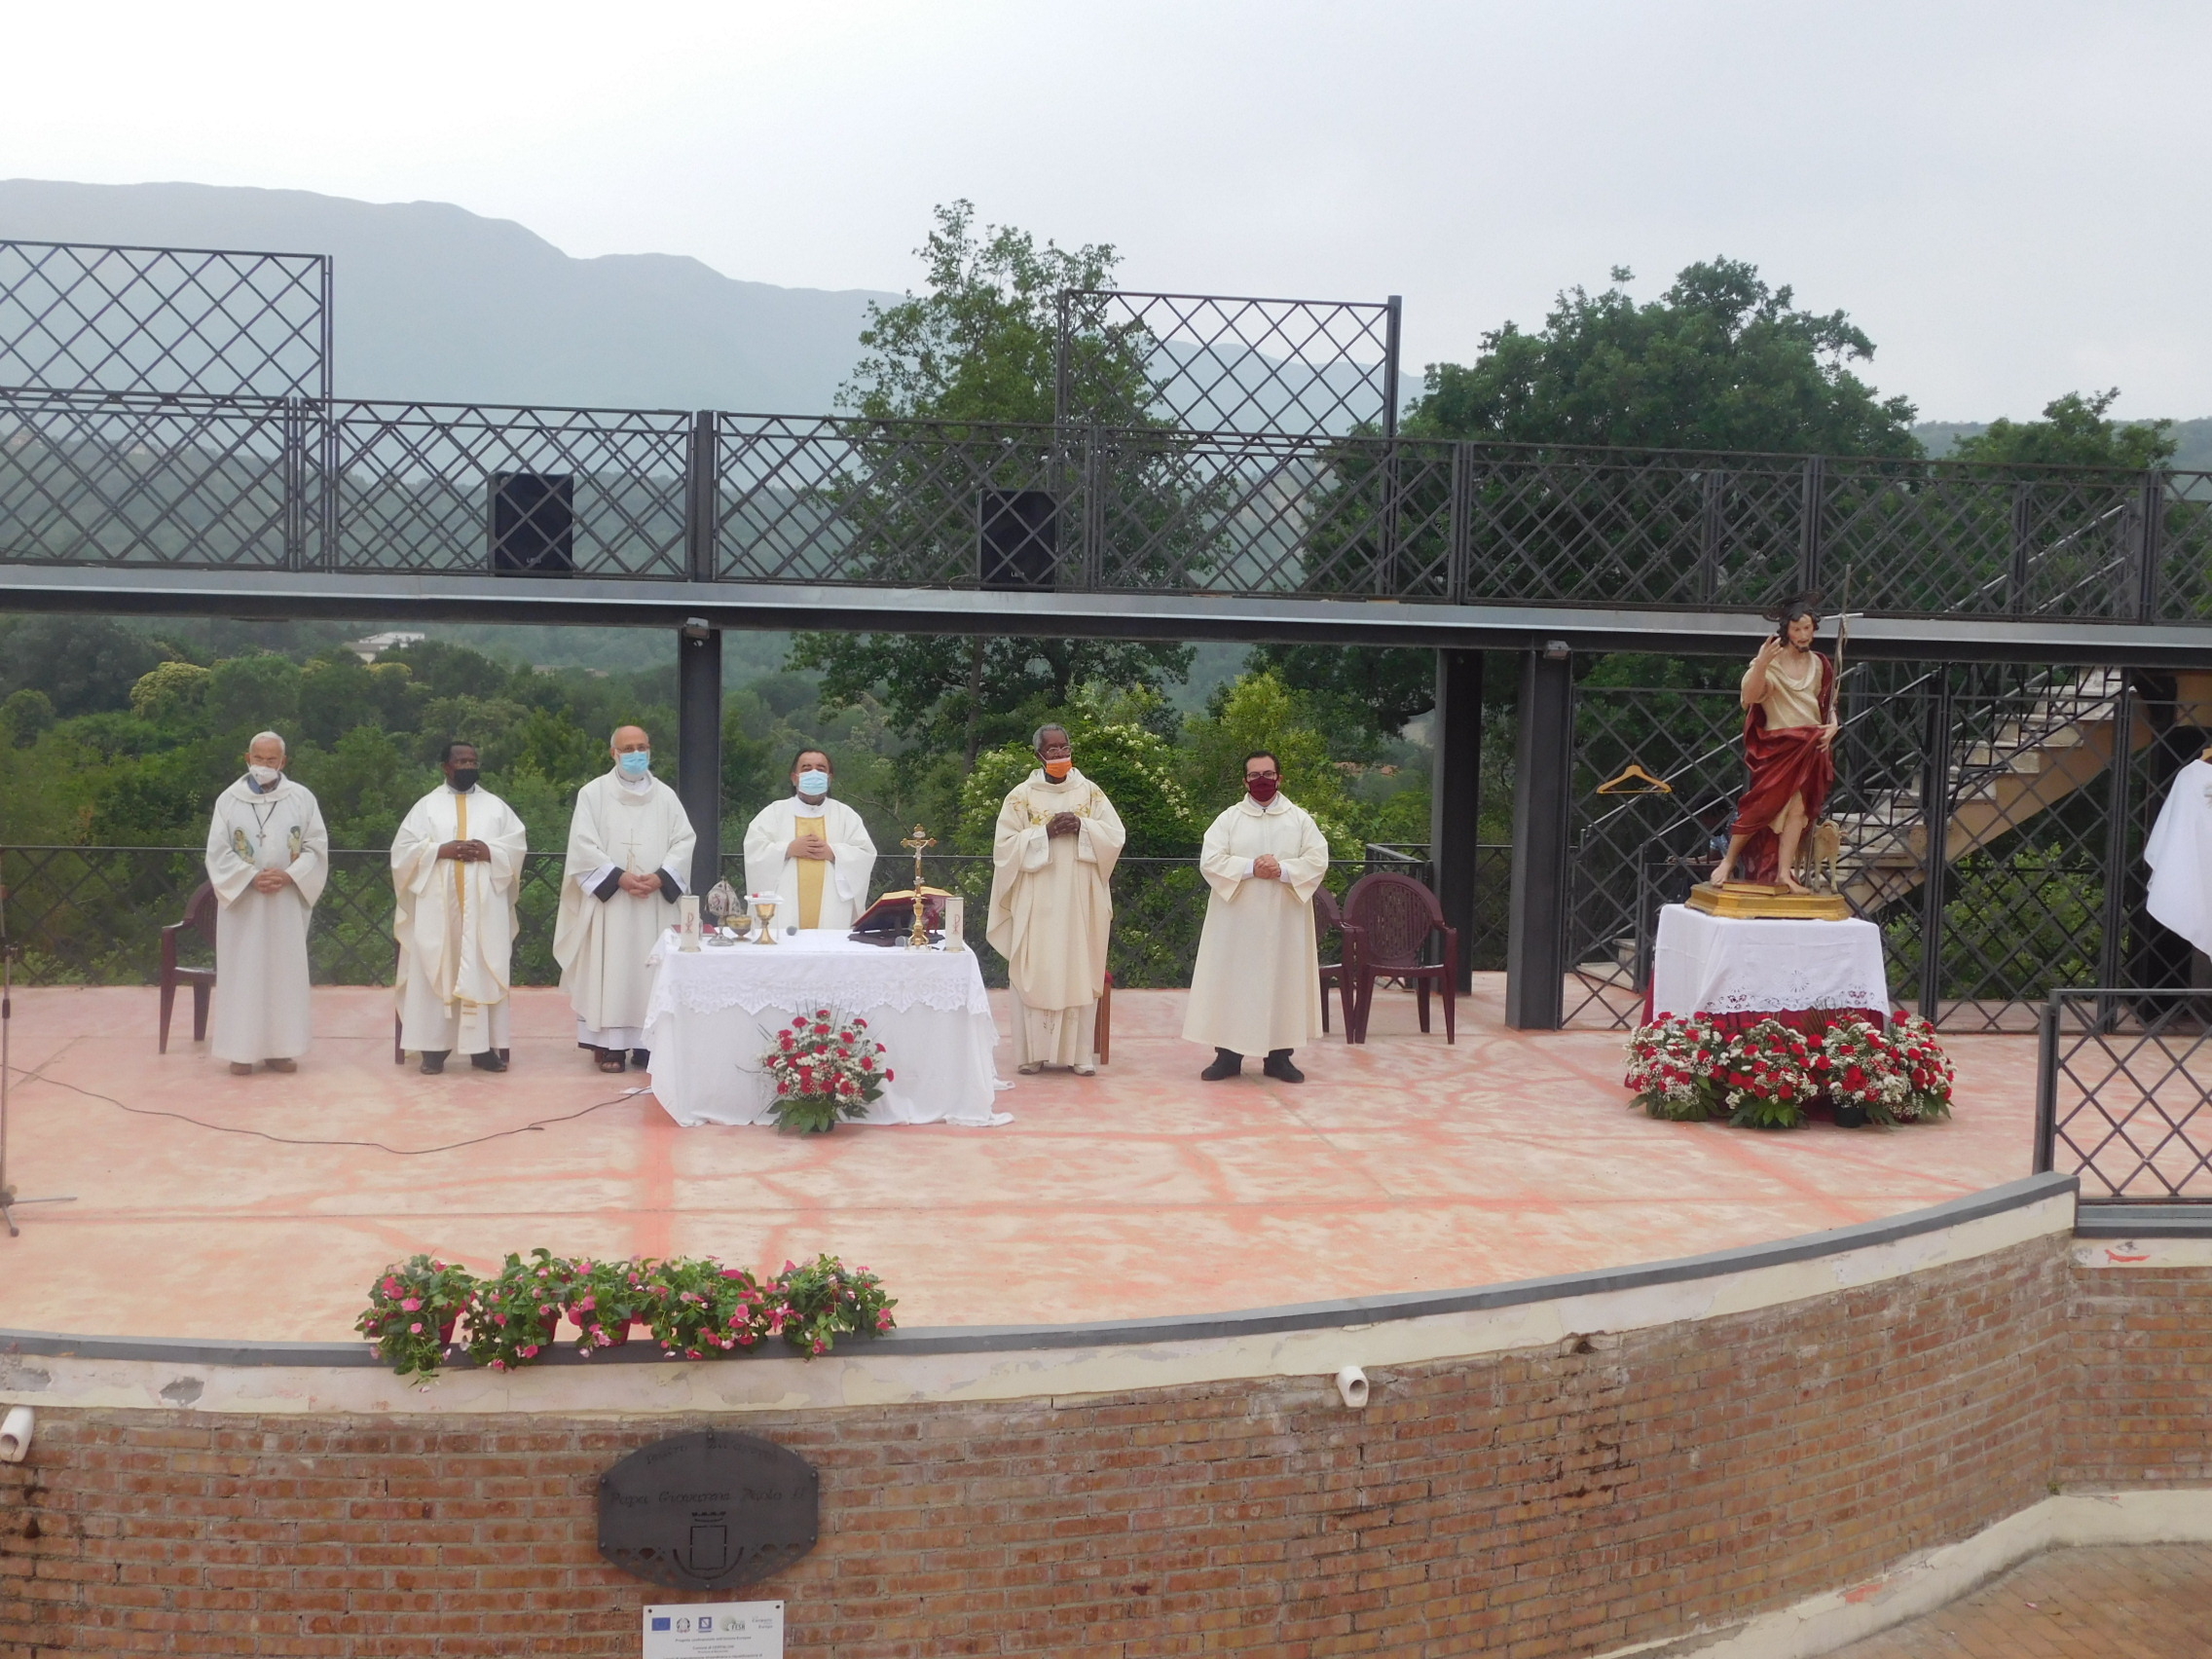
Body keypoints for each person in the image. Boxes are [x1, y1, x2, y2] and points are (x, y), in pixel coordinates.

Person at [552, 725, 695, 1073]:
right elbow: (583, 844)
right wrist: (618, 877)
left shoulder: (665, 797)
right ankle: (611, 1047)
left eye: (642, 747)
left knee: (651, 971)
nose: (636, 754)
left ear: (650, 749)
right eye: (628, 748)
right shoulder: (593, 793)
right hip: (612, 902)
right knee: (612, 968)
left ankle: (647, 1045)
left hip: (655, 902)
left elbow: (684, 840)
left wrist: (661, 876)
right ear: (613, 753)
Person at [985, 723, 1126, 1076]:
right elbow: (1004, 848)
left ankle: (1079, 1055)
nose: (1061, 754)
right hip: (1036, 899)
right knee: (1036, 968)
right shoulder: (1020, 796)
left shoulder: (1090, 792)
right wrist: (1043, 833)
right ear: (1038, 755)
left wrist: (1083, 827)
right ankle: (1032, 1054)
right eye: (1053, 750)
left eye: (1065, 747)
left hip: (1080, 899)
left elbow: (1115, 836)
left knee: (1078, 966)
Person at [1182, 751, 1330, 1083]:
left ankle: (1279, 1058)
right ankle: (1227, 1057)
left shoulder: (1299, 820)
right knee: (1233, 984)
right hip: (1236, 923)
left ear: (1280, 778)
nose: (1262, 780)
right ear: (1244, 781)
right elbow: (1210, 860)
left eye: (1268, 774)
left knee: (1284, 983)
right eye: (1254, 775)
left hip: (1285, 922)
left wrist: (1283, 869)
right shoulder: (1228, 820)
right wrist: (1251, 867)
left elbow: (1317, 860)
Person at [391, 741, 528, 1075]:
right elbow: (402, 852)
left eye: (473, 761)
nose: (468, 766)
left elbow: (516, 846)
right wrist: (441, 850)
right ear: (445, 766)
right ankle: (433, 1050)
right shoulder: (426, 807)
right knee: (435, 967)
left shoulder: (496, 807)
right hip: (437, 909)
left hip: (484, 910)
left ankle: (482, 1049)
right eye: (461, 761)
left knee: (481, 966)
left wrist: (487, 851)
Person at [203, 731, 329, 1076]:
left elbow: (316, 846)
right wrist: (249, 877)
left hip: (284, 901)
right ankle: (241, 1052)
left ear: (283, 762)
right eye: (258, 758)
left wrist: (289, 875)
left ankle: (280, 1051)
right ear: (248, 759)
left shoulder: (301, 798)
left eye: (272, 759)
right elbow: (217, 850)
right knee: (243, 974)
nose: (264, 765)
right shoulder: (229, 800)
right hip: (244, 904)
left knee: (283, 975)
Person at [1711, 599, 1839, 893]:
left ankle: (1784, 872)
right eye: (1797, 629)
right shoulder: (1772, 661)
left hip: (1811, 745)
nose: (1803, 635)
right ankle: (1728, 861)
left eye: (1807, 628)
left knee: (1799, 810)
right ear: (1786, 630)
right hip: (1778, 747)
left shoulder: (1820, 663)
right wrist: (1762, 664)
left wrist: (1833, 725)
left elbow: (1827, 702)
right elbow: (1750, 696)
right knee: (1761, 806)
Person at [741, 749, 877, 930]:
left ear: (829, 778)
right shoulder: (774, 813)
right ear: (794, 777)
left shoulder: (845, 815)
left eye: (821, 769)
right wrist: (788, 849)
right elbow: (754, 850)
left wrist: (833, 852)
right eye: (806, 768)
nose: (814, 773)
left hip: (833, 912)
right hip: (784, 911)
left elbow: (865, 853)